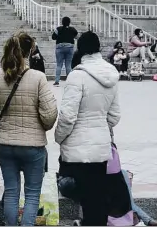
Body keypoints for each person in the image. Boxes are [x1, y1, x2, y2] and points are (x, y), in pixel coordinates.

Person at [0, 31, 58, 226]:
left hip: (4, 144)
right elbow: (49, 115)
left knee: (11, 191)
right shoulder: (38, 77)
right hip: (33, 146)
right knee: (32, 194)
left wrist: (0, 119)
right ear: (30, 51)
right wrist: (40, 125)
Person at [55, 31, 121, 226]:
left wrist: (59, 137)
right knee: (97, 201)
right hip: (100, 150)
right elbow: (115, 116)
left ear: (80, 49)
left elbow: (67, 116)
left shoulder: (77, 76)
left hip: (77, 151)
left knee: (79, 193)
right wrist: (99, 127)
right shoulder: (111, 74)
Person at [52, 16, 78, 86]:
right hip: (70, 47)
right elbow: (76, 36)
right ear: (69, 22)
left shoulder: (58, 29)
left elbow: (53, 37)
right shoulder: (73, 29)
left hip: (60, 47)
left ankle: (57, 81)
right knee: (68, 65)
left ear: (62, 22)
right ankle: (69, 81)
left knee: (59, 65)